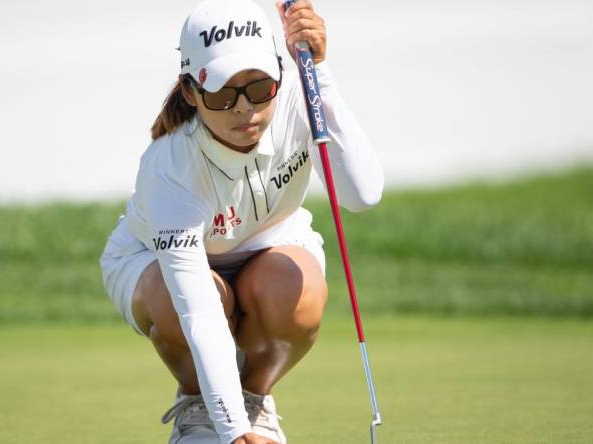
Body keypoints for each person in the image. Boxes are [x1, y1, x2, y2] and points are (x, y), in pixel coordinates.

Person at [100, 0, 384, 442]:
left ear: (279, 72)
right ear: (191, 92)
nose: (242, 109)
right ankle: (199, 410)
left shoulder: (296, 97)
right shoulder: (169, 165)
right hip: (156, 268)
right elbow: (197, 307)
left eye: (257, 88)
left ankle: (255, 401)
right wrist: (231, 434)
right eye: (220, 93)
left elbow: (361, 194)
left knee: (299, 290)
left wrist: (319, 76)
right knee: (184, 303)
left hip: (271, 250)